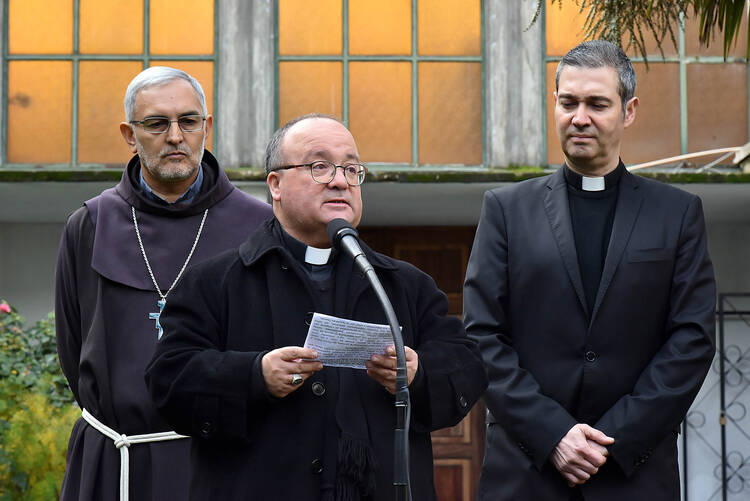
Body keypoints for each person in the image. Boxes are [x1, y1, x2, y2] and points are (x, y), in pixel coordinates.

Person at [144, 113, 488, 501]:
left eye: (351, 168)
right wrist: (255, 375)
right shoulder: (215, 283)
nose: (340, 180)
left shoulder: (403, 284)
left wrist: (417, 372)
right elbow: (168, 383)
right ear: (275, 184)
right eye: (320, 166)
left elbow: (467, 367)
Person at [464, 40, 716, 501]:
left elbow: (692, 339)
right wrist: (554, 434)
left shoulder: (677, 214)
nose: (579, 117)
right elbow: (482, 335)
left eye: (597, 103)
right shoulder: (505, 209)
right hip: (526, 472)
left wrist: (612, 440)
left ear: (629, 111)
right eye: (568, 102)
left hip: (633, 473)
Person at [55, 66, 272, 501]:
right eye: (156, 123)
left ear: (206, 128)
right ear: (129, 134)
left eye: (188, 121)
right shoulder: (91, 224)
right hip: (118, 458)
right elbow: (73, 345)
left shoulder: (260, 226)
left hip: (225, 460)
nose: (175, 136)